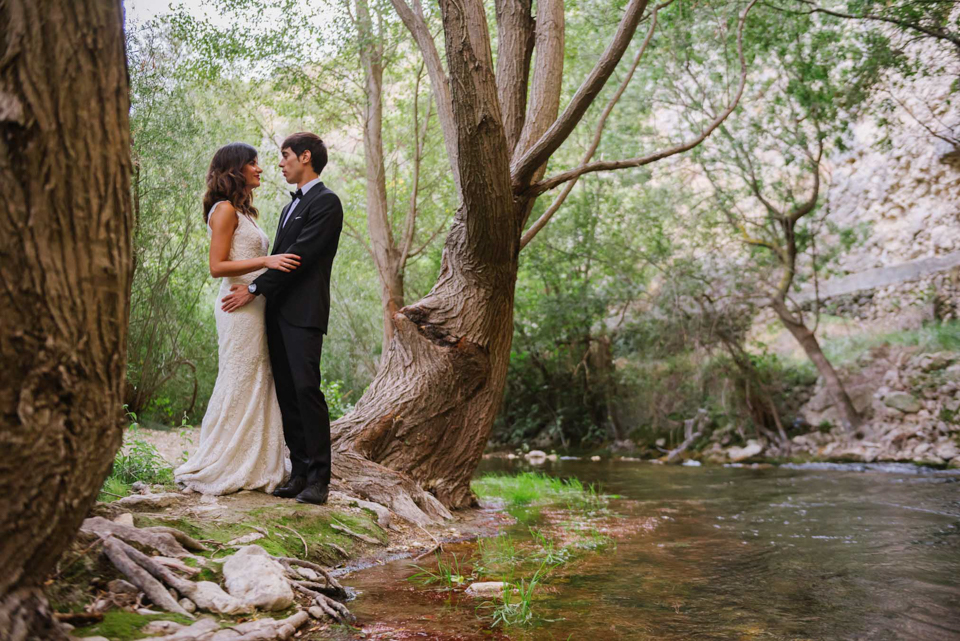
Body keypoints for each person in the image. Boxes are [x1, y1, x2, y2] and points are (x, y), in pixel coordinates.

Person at [220, 132, 343, 506]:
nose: (279, 163)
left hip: (304, 314)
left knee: (307, 391)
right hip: (276, 313)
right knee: (287, 394)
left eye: (285, 155)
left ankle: (320, 479)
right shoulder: (290, 206)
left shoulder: (327, 203)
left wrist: (254, 290)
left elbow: (299, 257)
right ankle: (300, 472)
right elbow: (278, 256)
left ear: (305, 157)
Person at [175, 143, 300, 495]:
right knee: (239, 376)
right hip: (237, 306)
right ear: (235, 169)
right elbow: (217, 267)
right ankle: (223, 460)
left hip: (254, 305)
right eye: (253, 163)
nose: (260, 169)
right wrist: (267, 261)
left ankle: (259, 460)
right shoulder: (224, 210)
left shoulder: (245, 212)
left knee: (259, 378)